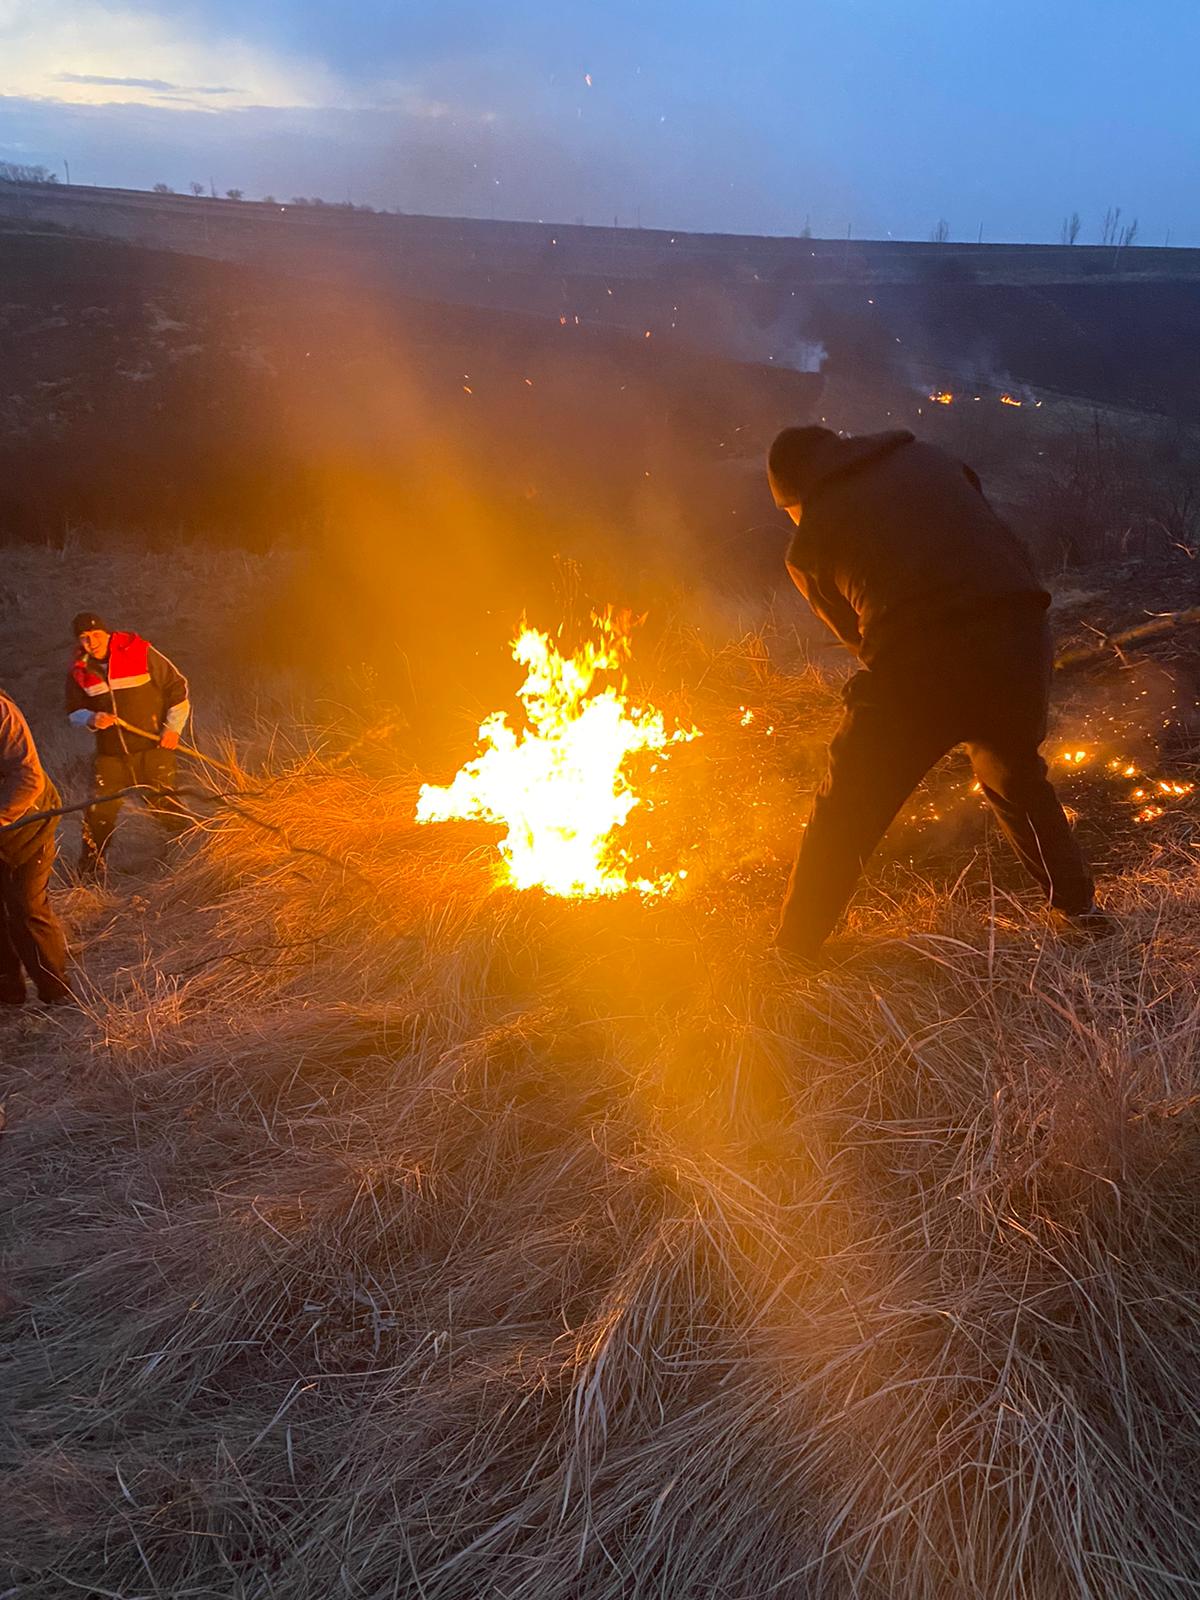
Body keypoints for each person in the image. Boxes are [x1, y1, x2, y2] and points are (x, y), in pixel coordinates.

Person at [766, 425, 1106, 960]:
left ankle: (793, 951)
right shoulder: (930, 458)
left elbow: (857, 639)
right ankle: (1080, 912)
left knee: (848, 807)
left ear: (794, 495)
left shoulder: (808, 544)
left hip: (917, 663)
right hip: (1019, 630)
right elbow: (986, 530)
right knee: (1015, 775)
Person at [66, 612, 191, 875]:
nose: (92, 642)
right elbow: (73, 711)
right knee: (99, 812)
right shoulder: (80, 669)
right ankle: (88, 873)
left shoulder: (138, 651)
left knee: (162, 802)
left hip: (153, 748)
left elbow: (176, 687)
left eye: (96, 635)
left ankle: (193, 852)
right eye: (85, 638)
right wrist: (91, 717)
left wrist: (172, 729)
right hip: (111, 755)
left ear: (107, 633)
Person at [0, 691, 72, 1004]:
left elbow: (28, 778)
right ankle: (8, 992)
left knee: (27, 909)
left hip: (27, 825)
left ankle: (56, 993)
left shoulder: (2, 713)